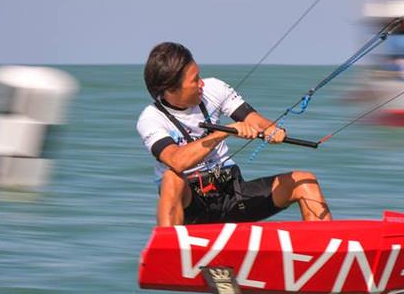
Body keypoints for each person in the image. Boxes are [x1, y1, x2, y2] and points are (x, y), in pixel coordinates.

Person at [137, 42, 333, 227]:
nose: (201, 84)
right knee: (172, 179)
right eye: (194, 80)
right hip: (192, 205)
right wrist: (223, 133)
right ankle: (171, 252)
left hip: (232, 193)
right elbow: (177, 160)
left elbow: (253, 119)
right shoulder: (151, 119)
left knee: (304, 181)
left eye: (199, 75)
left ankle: (326, 252)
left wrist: (271, 129)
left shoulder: (214, 89)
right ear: (171, 90)